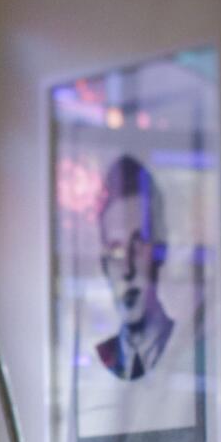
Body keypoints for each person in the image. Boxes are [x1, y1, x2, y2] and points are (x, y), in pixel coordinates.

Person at [95, 152, 175, 380]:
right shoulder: (104, 359)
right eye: (116, 250)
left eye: (138, 244)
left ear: (160, 250)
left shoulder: (183, 349)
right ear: (104, 265)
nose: (127, 270)